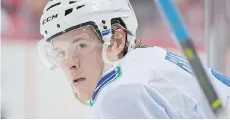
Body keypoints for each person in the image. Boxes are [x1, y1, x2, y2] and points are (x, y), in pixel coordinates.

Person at [37, 0, 230, 118]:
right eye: (60, 52)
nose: (70, 63)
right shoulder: (148, 59)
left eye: (81, 45)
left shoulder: (120, 93)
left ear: (117, 40)